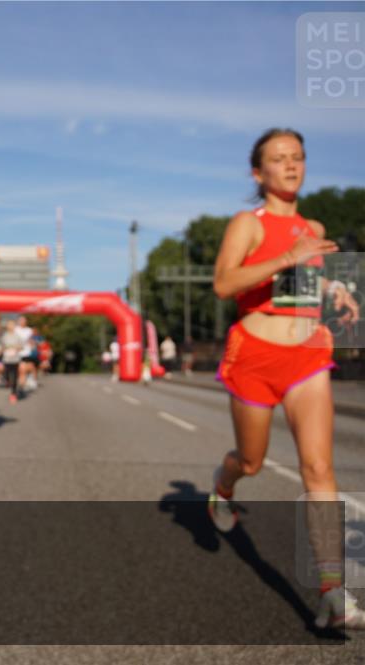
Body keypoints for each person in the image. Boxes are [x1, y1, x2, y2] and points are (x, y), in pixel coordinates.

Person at [208, 128, 363, 628]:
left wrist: (343, 303)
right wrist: (285, 259)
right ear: (259, 173)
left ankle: (332, 591)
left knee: (318, 468)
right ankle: (224, 485)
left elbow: (314, 290)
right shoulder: (247, 224)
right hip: (255, 355)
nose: (291, 166)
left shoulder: (314, 226)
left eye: (298, 157)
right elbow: (224, 284)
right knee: (251, 461)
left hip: (307, 355)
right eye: (279, 159)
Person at [0, 319, 24, 403]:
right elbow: (1, 346)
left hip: (15, 359)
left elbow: (22, 347)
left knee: (14, 376)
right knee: (6, 375)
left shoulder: (17, 336)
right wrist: (4, 349)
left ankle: (13, 394)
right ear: (7, 326)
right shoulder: (4, 336)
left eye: (13, 325)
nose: (11, 326)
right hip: (6, 359)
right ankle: (7, 381)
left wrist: (16, 348)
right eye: (10, 325)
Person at [15, 316, 36, 392]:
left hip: (26, 353)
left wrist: (33, 345)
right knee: (20, 370)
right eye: (20, 320)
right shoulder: (15, 329)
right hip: (16, 353)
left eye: (24, 320)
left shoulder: (29, 330)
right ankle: (23, 382)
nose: (22, 322)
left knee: (23, 370)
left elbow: (31, 340)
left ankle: (21, 386)